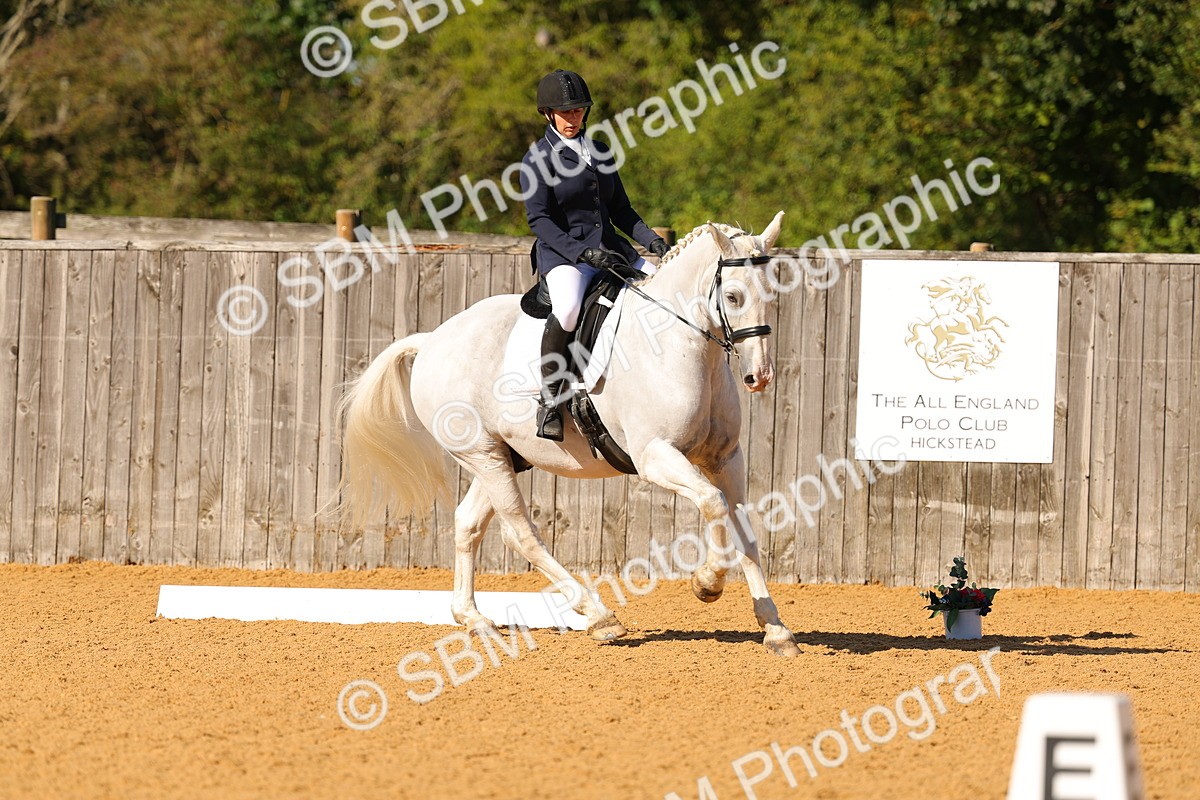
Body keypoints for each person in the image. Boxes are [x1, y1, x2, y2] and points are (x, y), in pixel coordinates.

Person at [519, 68, 669, 441]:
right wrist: (582, 252)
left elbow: (622, 211)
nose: (573, 118)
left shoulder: (600, 152)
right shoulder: (537, 159)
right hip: (564, 256)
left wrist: (653, 242)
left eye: (578, 110)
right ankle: (550, 400)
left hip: (611, 251)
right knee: (569, 309)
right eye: (565, 112)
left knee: (663, 291)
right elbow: (539, 221)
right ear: (548, 114)